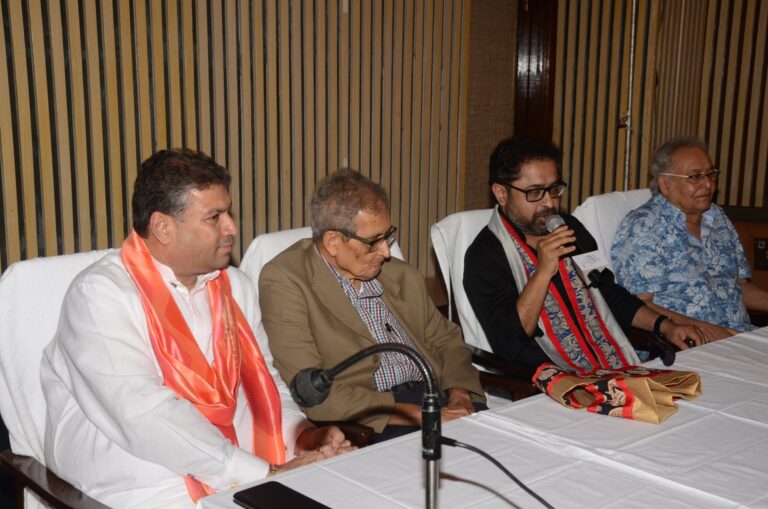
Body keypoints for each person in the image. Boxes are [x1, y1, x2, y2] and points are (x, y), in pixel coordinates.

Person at [41, 149, 351, 509]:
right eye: (214, 217)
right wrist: (266, 475)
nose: (231, 227)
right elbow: (145, 418)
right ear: (162, 227)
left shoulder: (235, 287)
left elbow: (264, 387)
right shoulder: (100, 296)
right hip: (139, 473)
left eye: (228, 212)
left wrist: (302, 435)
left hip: (237, 460)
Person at [260, 169, 486, 442]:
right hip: (376, 420)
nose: (386, 251)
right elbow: (312, 391)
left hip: (438, 397)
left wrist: (459, 394)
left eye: (387, 236)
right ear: (333, 241)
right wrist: (421, 416)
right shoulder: (286, 280)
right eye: (373, 242)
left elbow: (447, 340)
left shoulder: (401, 275)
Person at [463, 136, 706, 372]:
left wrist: (665, 327)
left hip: (608, 365)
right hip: (547, 383)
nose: (549, 203)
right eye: (535, 192)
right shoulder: (484, 256)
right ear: (501, 193)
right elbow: (508, 340)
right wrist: (543, 272)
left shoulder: (570, 229)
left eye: (555, 190)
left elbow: (608, 294)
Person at [611, 137, 768, 334]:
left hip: (741, 335)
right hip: (687, 345)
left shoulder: (717, 217)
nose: (708, 185)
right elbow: (638, 305)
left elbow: (738, 287)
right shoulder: (644, 226)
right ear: (665, 184)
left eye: (710, 174)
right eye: (694, 177)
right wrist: (712, 332)